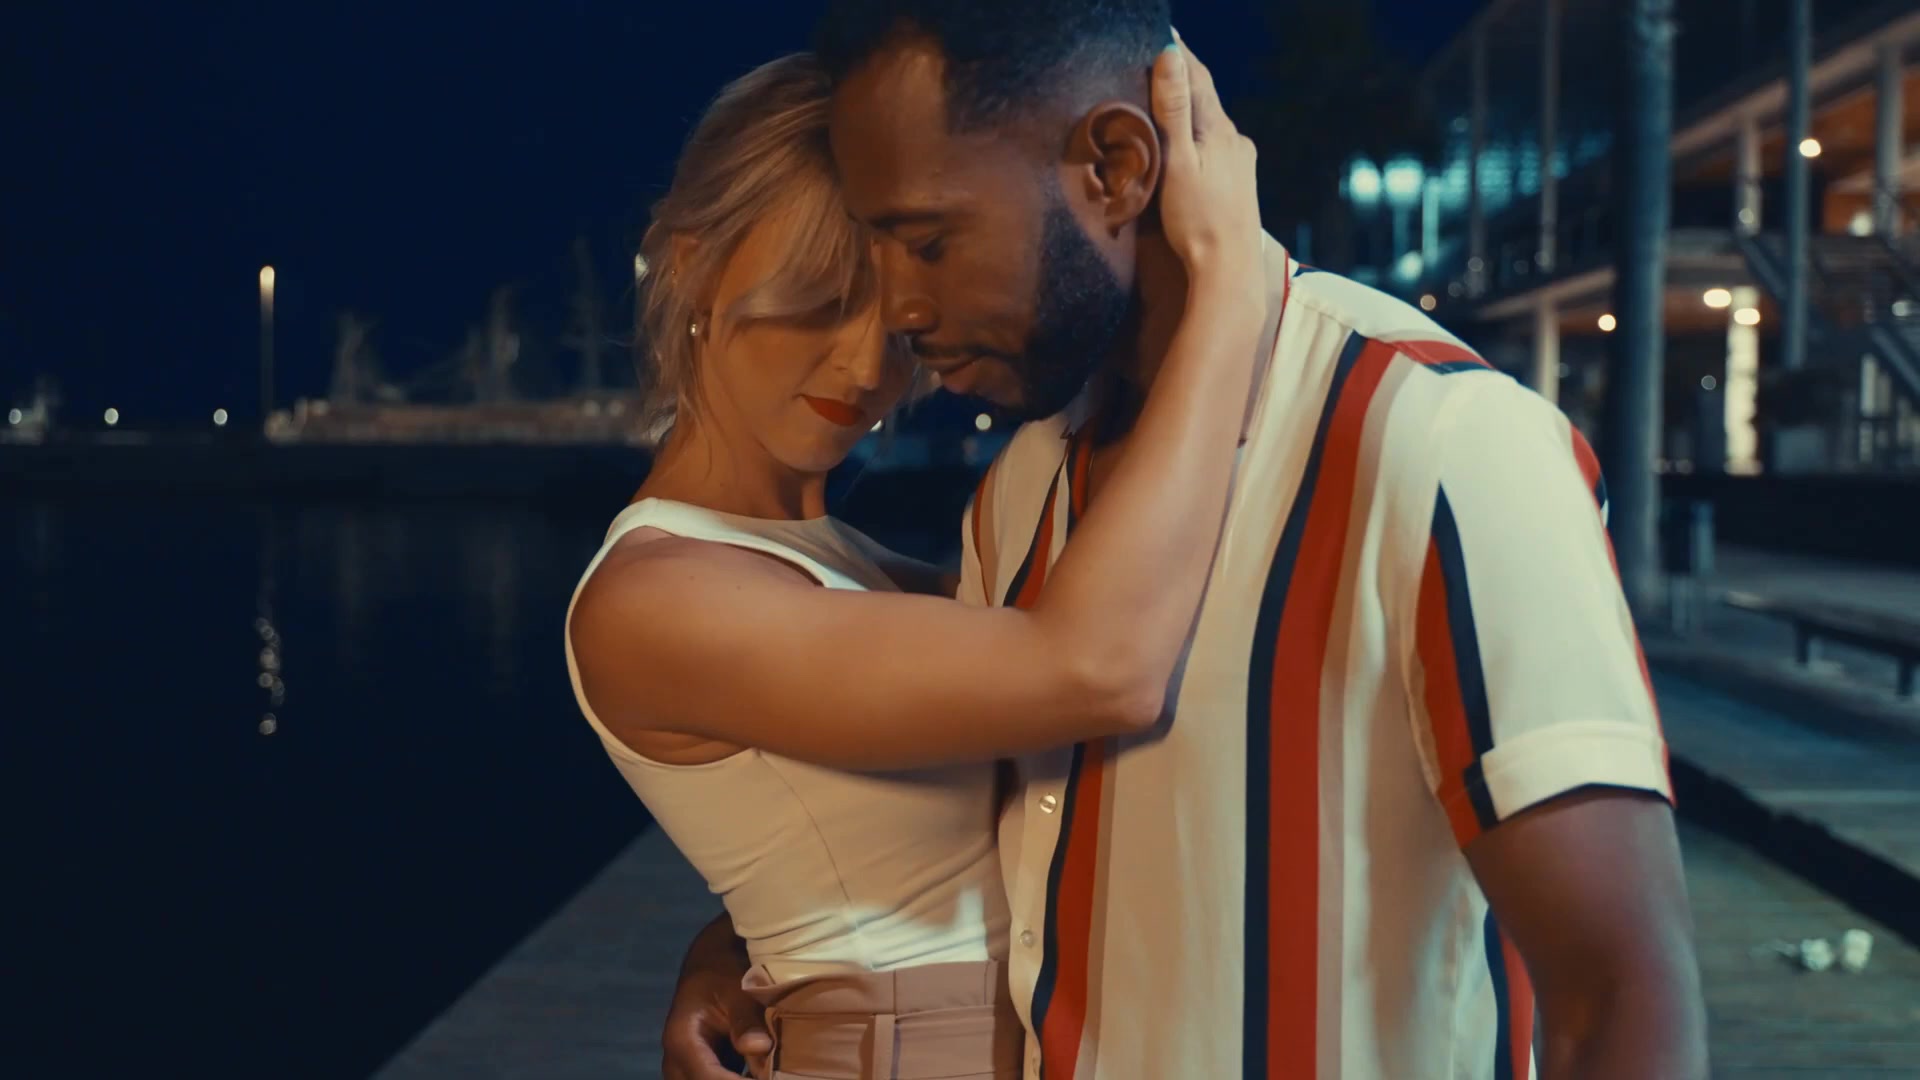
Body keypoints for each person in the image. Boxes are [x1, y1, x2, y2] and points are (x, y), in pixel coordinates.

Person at [662, 5, 1712, 1079]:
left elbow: (1619, 994)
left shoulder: (1439, 442)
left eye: (928, 242)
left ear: (1115, 169)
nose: (899, 309)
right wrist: (751, 941)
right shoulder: (1019, 492)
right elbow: (969, 842)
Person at [566, 47, 1263, 1080]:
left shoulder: (842, 564)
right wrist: (1232, 287)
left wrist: (736, 939)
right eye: (817, 300)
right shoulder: (655, 598)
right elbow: (1097, 668)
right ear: (689, 267)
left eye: (895, 321)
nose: (865, 367)